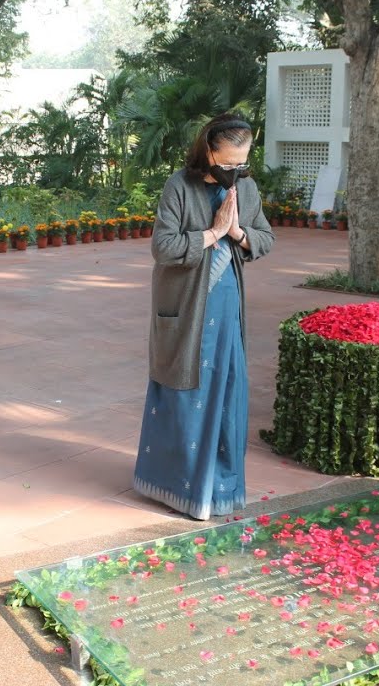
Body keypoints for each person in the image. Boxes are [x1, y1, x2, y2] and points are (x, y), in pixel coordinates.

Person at [132, 112, 276, 521]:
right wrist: (212, 233)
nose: (235, 171)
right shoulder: (180, 185)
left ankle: (220, 490)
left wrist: (237, 233)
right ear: (209, 151)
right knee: (183, 391)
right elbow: (163, 246)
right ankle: (176, 489)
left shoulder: (246, 188)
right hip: (185, 306)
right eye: (227, 162)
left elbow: (265, 238)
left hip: (226, 305)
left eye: (241, 163)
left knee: (226, 390)